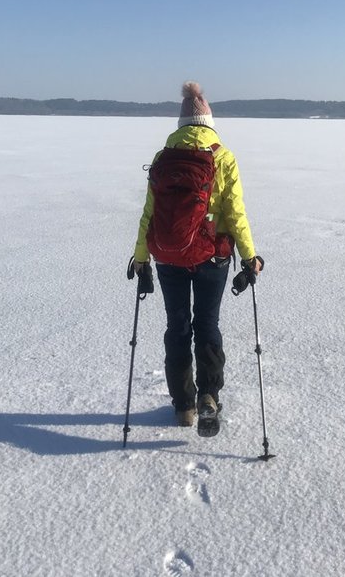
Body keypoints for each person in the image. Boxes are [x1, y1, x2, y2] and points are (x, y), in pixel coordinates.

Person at [132, 81, 262, 433]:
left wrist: (140, 257)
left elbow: (150, 212)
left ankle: (183, 407)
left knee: (177, 327)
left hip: (169, 257)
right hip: (212, 256)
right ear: (208, 121)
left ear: (181, 123)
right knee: (207, 324)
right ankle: (209, 396)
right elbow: (235, 213)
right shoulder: (223, 156)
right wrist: (250, 256)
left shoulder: (162, 158)